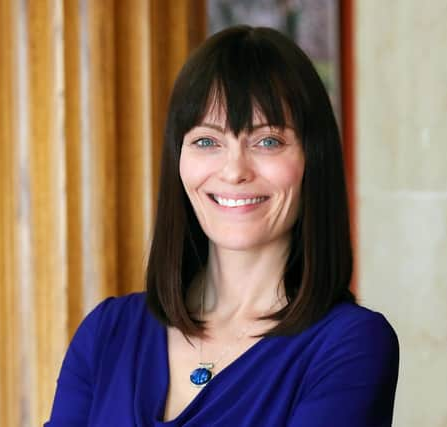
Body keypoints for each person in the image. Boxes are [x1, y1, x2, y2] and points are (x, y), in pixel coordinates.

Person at [45, 25, 399, 426]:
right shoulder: (106, 334)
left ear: (312, 161)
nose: (234, 171)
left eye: (267, 141)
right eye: (207, 141)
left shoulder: (350, 346)